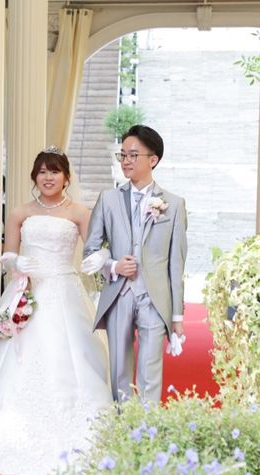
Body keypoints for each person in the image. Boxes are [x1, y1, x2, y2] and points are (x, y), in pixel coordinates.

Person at [0, 146, 113, 475]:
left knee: (72, 354)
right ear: (34, 177)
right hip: (27, 290)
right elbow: (8, 255)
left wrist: (101, 258)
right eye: (42, 172)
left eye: (54, 171)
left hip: (65, 289)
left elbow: (95, 250)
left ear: (66, 177)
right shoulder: (20, 212)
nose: (48, 177)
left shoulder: (80, 213)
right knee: (16, 356)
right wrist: (17, 262)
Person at [82, 125, 187, 404]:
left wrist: (177, 317)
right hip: (119, 295)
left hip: (155, 299)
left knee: (150, 371)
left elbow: (176, 264)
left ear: (153, 160)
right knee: (119, 370)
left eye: (133, 155)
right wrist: (114, 266)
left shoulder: (174, 205)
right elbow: (90, 251)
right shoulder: (108, 199)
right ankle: (122, 423)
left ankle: (146, 427)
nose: (126, 161)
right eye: (123, 155)